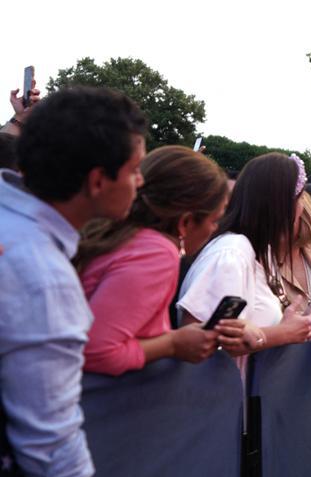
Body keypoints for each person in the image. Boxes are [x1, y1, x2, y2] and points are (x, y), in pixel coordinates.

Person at [1, 86, 146, 477]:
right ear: (97, 180)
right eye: (134, 170)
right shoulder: (40, 271)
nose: (140, 182)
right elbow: (49, 439)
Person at [76, 145, 228, 376]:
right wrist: (173, 344)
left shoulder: (117, 233)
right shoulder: (156, 253)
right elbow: (96, 352)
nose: (214, 229)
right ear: (185, 222)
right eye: (214, 220)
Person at [177, 153, 311, 367]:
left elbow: (253, 328)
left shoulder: (260, 252)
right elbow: (195, 343)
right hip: (215, 396)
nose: (303, 208)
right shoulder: (232, 254)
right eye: (299, 199)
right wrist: (282, 333)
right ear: (280, 206)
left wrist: (299, 323)